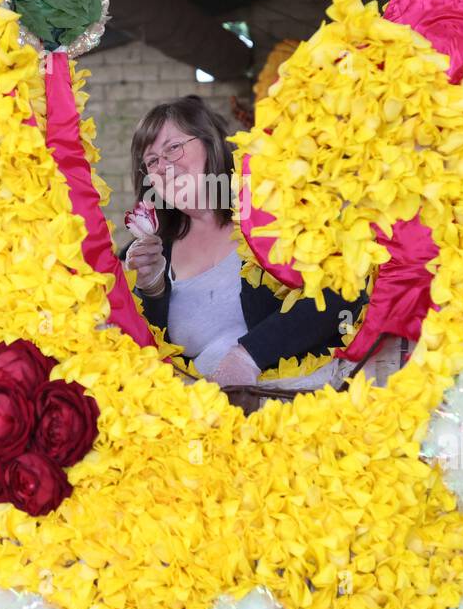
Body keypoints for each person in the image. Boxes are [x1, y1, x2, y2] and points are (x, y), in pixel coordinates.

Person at [122, 96, 363, 391]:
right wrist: (153, 288)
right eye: (152, 161)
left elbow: (343, 289)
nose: (163, 166)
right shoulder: (154, 250)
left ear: (210, 144)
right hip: (202, 423)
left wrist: (248, 356)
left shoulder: (270, 209)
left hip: (300, 409)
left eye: (173, 148)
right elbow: (143, 352)